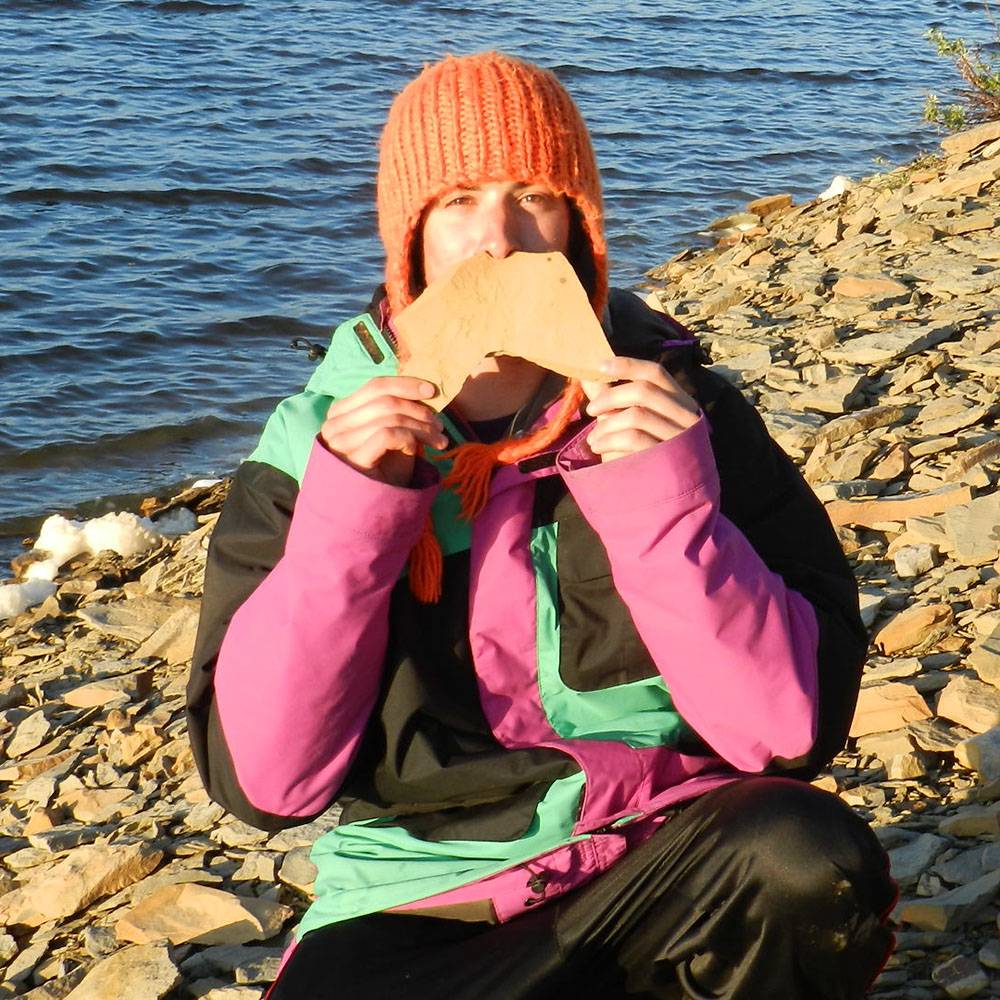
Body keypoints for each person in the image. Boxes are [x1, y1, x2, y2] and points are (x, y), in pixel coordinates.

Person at [187, 51, 896, 1000]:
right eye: (459, 202)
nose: (499, 241)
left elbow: (785, 737)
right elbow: (268, 786)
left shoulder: (688, 416)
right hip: (421, 901)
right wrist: (350, 520)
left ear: (580, 226)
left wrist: (663, 504)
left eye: (534, 196)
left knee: (806, 857)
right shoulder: (315, 447)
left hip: (669, 858)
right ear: (409, 237)